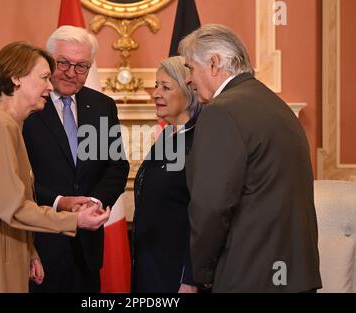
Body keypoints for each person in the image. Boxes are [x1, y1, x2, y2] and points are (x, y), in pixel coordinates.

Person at [0, 42, 110, 293]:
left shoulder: (10, 123)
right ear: (16, 78)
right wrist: (75, 219)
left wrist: (29, 250)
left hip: (8, 236)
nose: (50, 85)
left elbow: (15, 198)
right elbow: (13, 207)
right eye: (45, 77)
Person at [179, 24, 322, 292]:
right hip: (294, 276)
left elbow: (211, 206)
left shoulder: (221, 112)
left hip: (249, 275)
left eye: (190, 68)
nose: (188, 79)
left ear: (213, 63)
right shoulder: (276, 106)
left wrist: (203, 271)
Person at [23, 26, 130, 292]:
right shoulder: (26, 105)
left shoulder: (104, 105)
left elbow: (116, 166)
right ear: (48, 61)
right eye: (63, 63)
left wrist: (93, 203)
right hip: (39, 243)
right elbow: (16, 176)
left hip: (87, 246)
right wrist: (60, 203)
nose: (71, 73)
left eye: (81, 66)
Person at [132, 56, 201, 293]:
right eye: (156, 85)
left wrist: (191, 277)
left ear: (188, 91)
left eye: (165, 87)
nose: (155, 93)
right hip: (151, 267)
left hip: (177, 274)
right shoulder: (167, 136)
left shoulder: (200, 140)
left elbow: (204, 213)